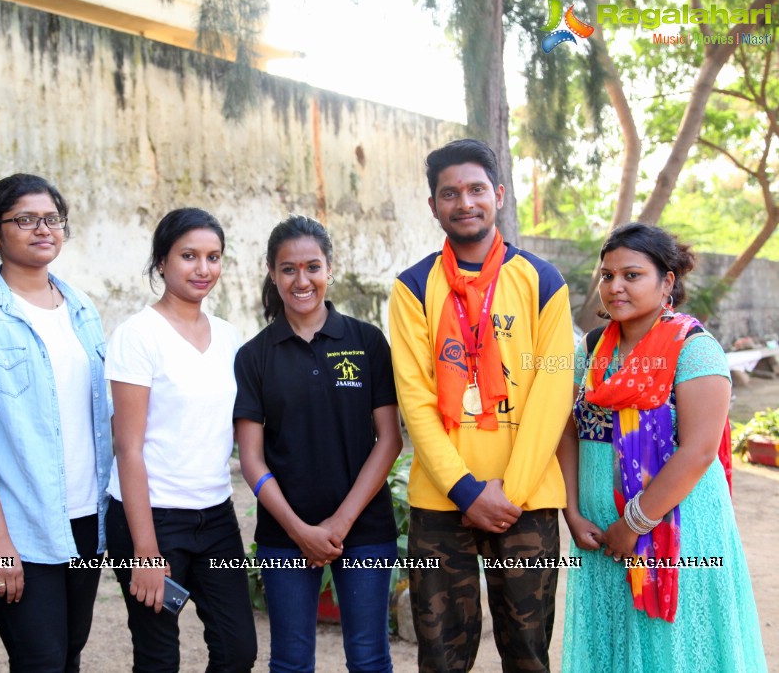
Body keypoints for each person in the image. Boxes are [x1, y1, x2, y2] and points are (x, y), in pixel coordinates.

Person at [388, 139, 574, 672]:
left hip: (527, 502)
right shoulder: (413, 287)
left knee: (529, 657)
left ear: (497, 193)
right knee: (441, 660)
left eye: (475, 189)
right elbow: (415, 399)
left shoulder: (543, 281)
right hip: (442, 502)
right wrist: (468, 491)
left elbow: (553, 390)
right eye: (450, 194)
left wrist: (507, 493)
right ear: (433, 206)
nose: (464, 202)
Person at [558, 223, 766, 671]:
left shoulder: (695, 349)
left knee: (672, 653)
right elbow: (568, 431)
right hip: (597, 535)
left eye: (632, 275)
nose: (615, 287)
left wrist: (633, 524)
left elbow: (698, 452)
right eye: (608, 275)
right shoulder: (590, 350)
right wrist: (572, 512)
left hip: (676, 533)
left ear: (667, 281)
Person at [0, 174, 113, 671]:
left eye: (52, 219)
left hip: (83, 519)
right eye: (25, 220)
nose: (43, 229)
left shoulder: (81, 308)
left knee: (69, 655)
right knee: (41, 661)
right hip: (15, 527)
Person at [234, 215, 403, 672]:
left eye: (312, 266)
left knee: (369, 658)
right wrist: (299, 531)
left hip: (365, 531)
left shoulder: (366, 341)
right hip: (283, 536)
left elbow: (389, 440)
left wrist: (340, 523)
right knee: (289, 662)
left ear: (330, 268)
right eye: (288, 269)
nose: (301, 279)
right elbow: (250, 458)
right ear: (272, 273)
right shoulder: (255, 355)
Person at [105, 208, 257, 672]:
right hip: (153, 520)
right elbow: (127, 447)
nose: (203, 268)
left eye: (213, 257)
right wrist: (146, 552)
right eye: (189, 256)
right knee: (159, 660)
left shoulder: (230, 337)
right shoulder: (137, 336)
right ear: (162, 262)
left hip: (215, 518)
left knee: (237, 651)